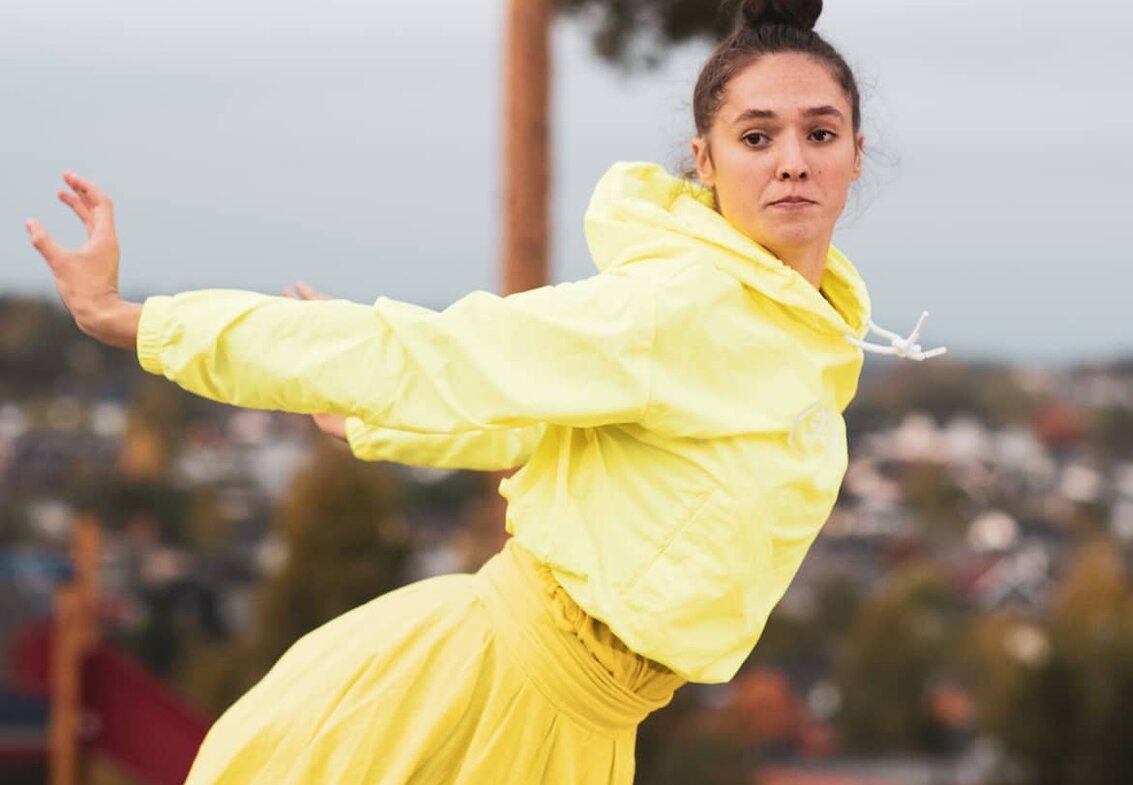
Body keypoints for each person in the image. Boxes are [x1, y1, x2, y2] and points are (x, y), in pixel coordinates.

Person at [23, 0, 944, 782]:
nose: (791, 160)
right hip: (481, 698)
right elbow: (436, 353)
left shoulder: (804, 333)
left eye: (817, 133)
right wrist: (134, 320)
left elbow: (574, 446)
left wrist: (375, 428)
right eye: (756, 136)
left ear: (855, 154)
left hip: (589, 731)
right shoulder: (678, 304)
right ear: (703, 162)